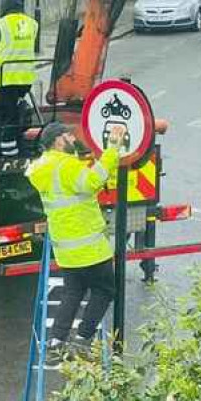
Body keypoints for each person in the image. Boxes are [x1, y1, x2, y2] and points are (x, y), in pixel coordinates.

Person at [26, 120, 124, 349]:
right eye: (69, 136)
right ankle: (83, 338)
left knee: (73, 292)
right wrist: (112, 149)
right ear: (58, 141)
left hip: (66, 249)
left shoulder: (42, 168)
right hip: (89, 247)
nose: (73, 139)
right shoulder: (66, 166)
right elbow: (94, 181)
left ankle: (57, 341)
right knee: (104, 290)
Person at [0, 0, 39, 161]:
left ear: (4, 7)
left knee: (7, 119)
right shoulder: (33, 24)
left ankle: (9, 157)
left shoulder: (1, 25)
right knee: (16, 113)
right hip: (24, 80)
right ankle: (20, 146)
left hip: (5, 80)